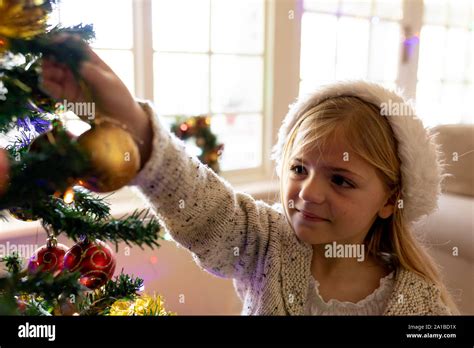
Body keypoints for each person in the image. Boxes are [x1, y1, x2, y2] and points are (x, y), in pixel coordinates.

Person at [40, 38, 459, 315]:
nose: (308, 193)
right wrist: (133, 123)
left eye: (341, 180)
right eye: (299, 169)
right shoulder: (266, 242)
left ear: (390, 200)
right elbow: (202, 205)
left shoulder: (422, 305)